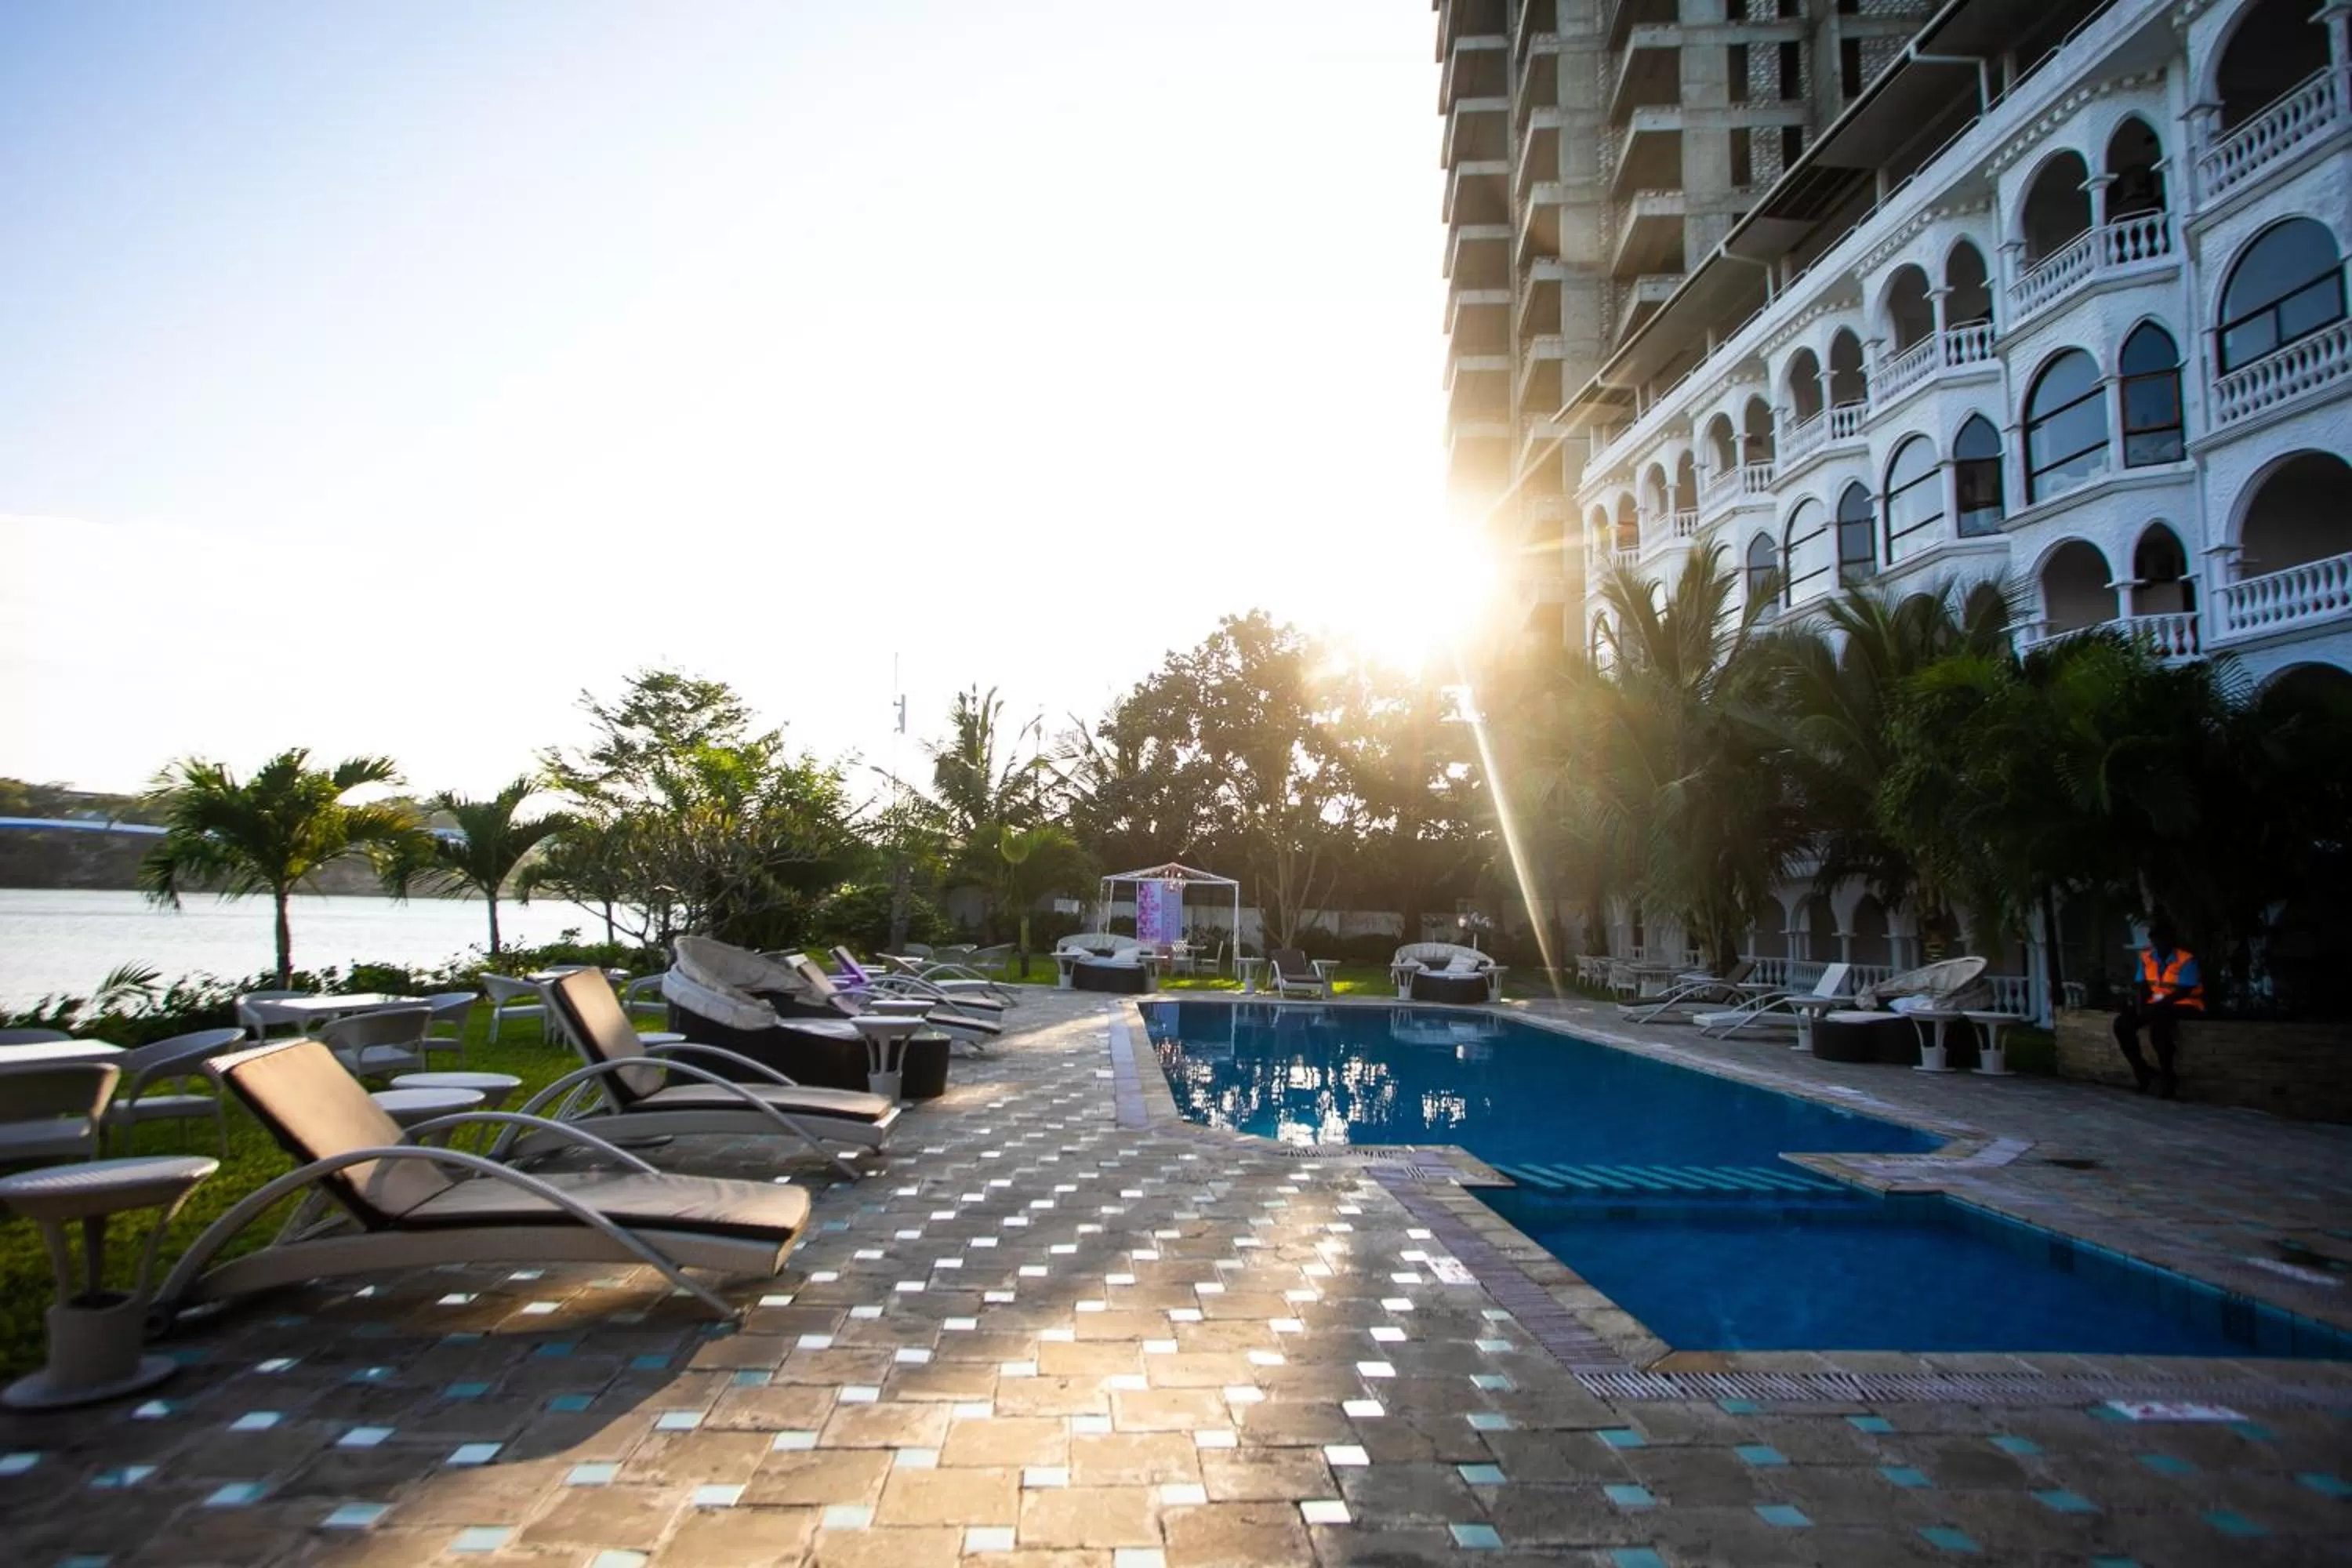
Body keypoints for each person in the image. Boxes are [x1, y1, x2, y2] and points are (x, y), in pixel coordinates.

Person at [2112, 916, 2202, 1098]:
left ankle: (2169, 1079)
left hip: (2184, 1005)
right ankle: (2142, 1071)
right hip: (2157, 1004)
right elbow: (2142, 985)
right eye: (2155, 941)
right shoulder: (2147, 958)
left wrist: (2155, 1007)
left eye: (2162, 940)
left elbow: (2184, 990)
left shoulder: (2186, 960)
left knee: (2159, 1031)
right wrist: (2140, 1009)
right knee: (2123, 1024)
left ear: (2171, 940)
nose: (2158, 945)